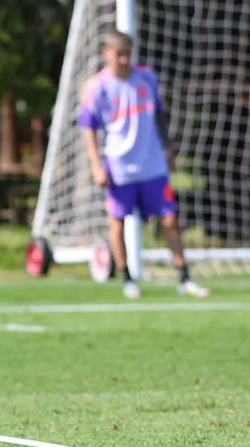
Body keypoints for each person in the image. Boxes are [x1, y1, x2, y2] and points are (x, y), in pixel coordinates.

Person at [79, 30, 209, 300]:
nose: (125, 60)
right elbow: (88, 128)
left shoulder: (147, 79)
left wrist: (168, 147)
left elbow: (159, 115)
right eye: (119, 55)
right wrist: (96, 165)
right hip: (119, 168)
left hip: (153, 166)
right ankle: (128, 279)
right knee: (118, 224)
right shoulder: (97, 87)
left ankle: (184, 278)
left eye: (128, 54)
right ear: (107, 54)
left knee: (170, 219)